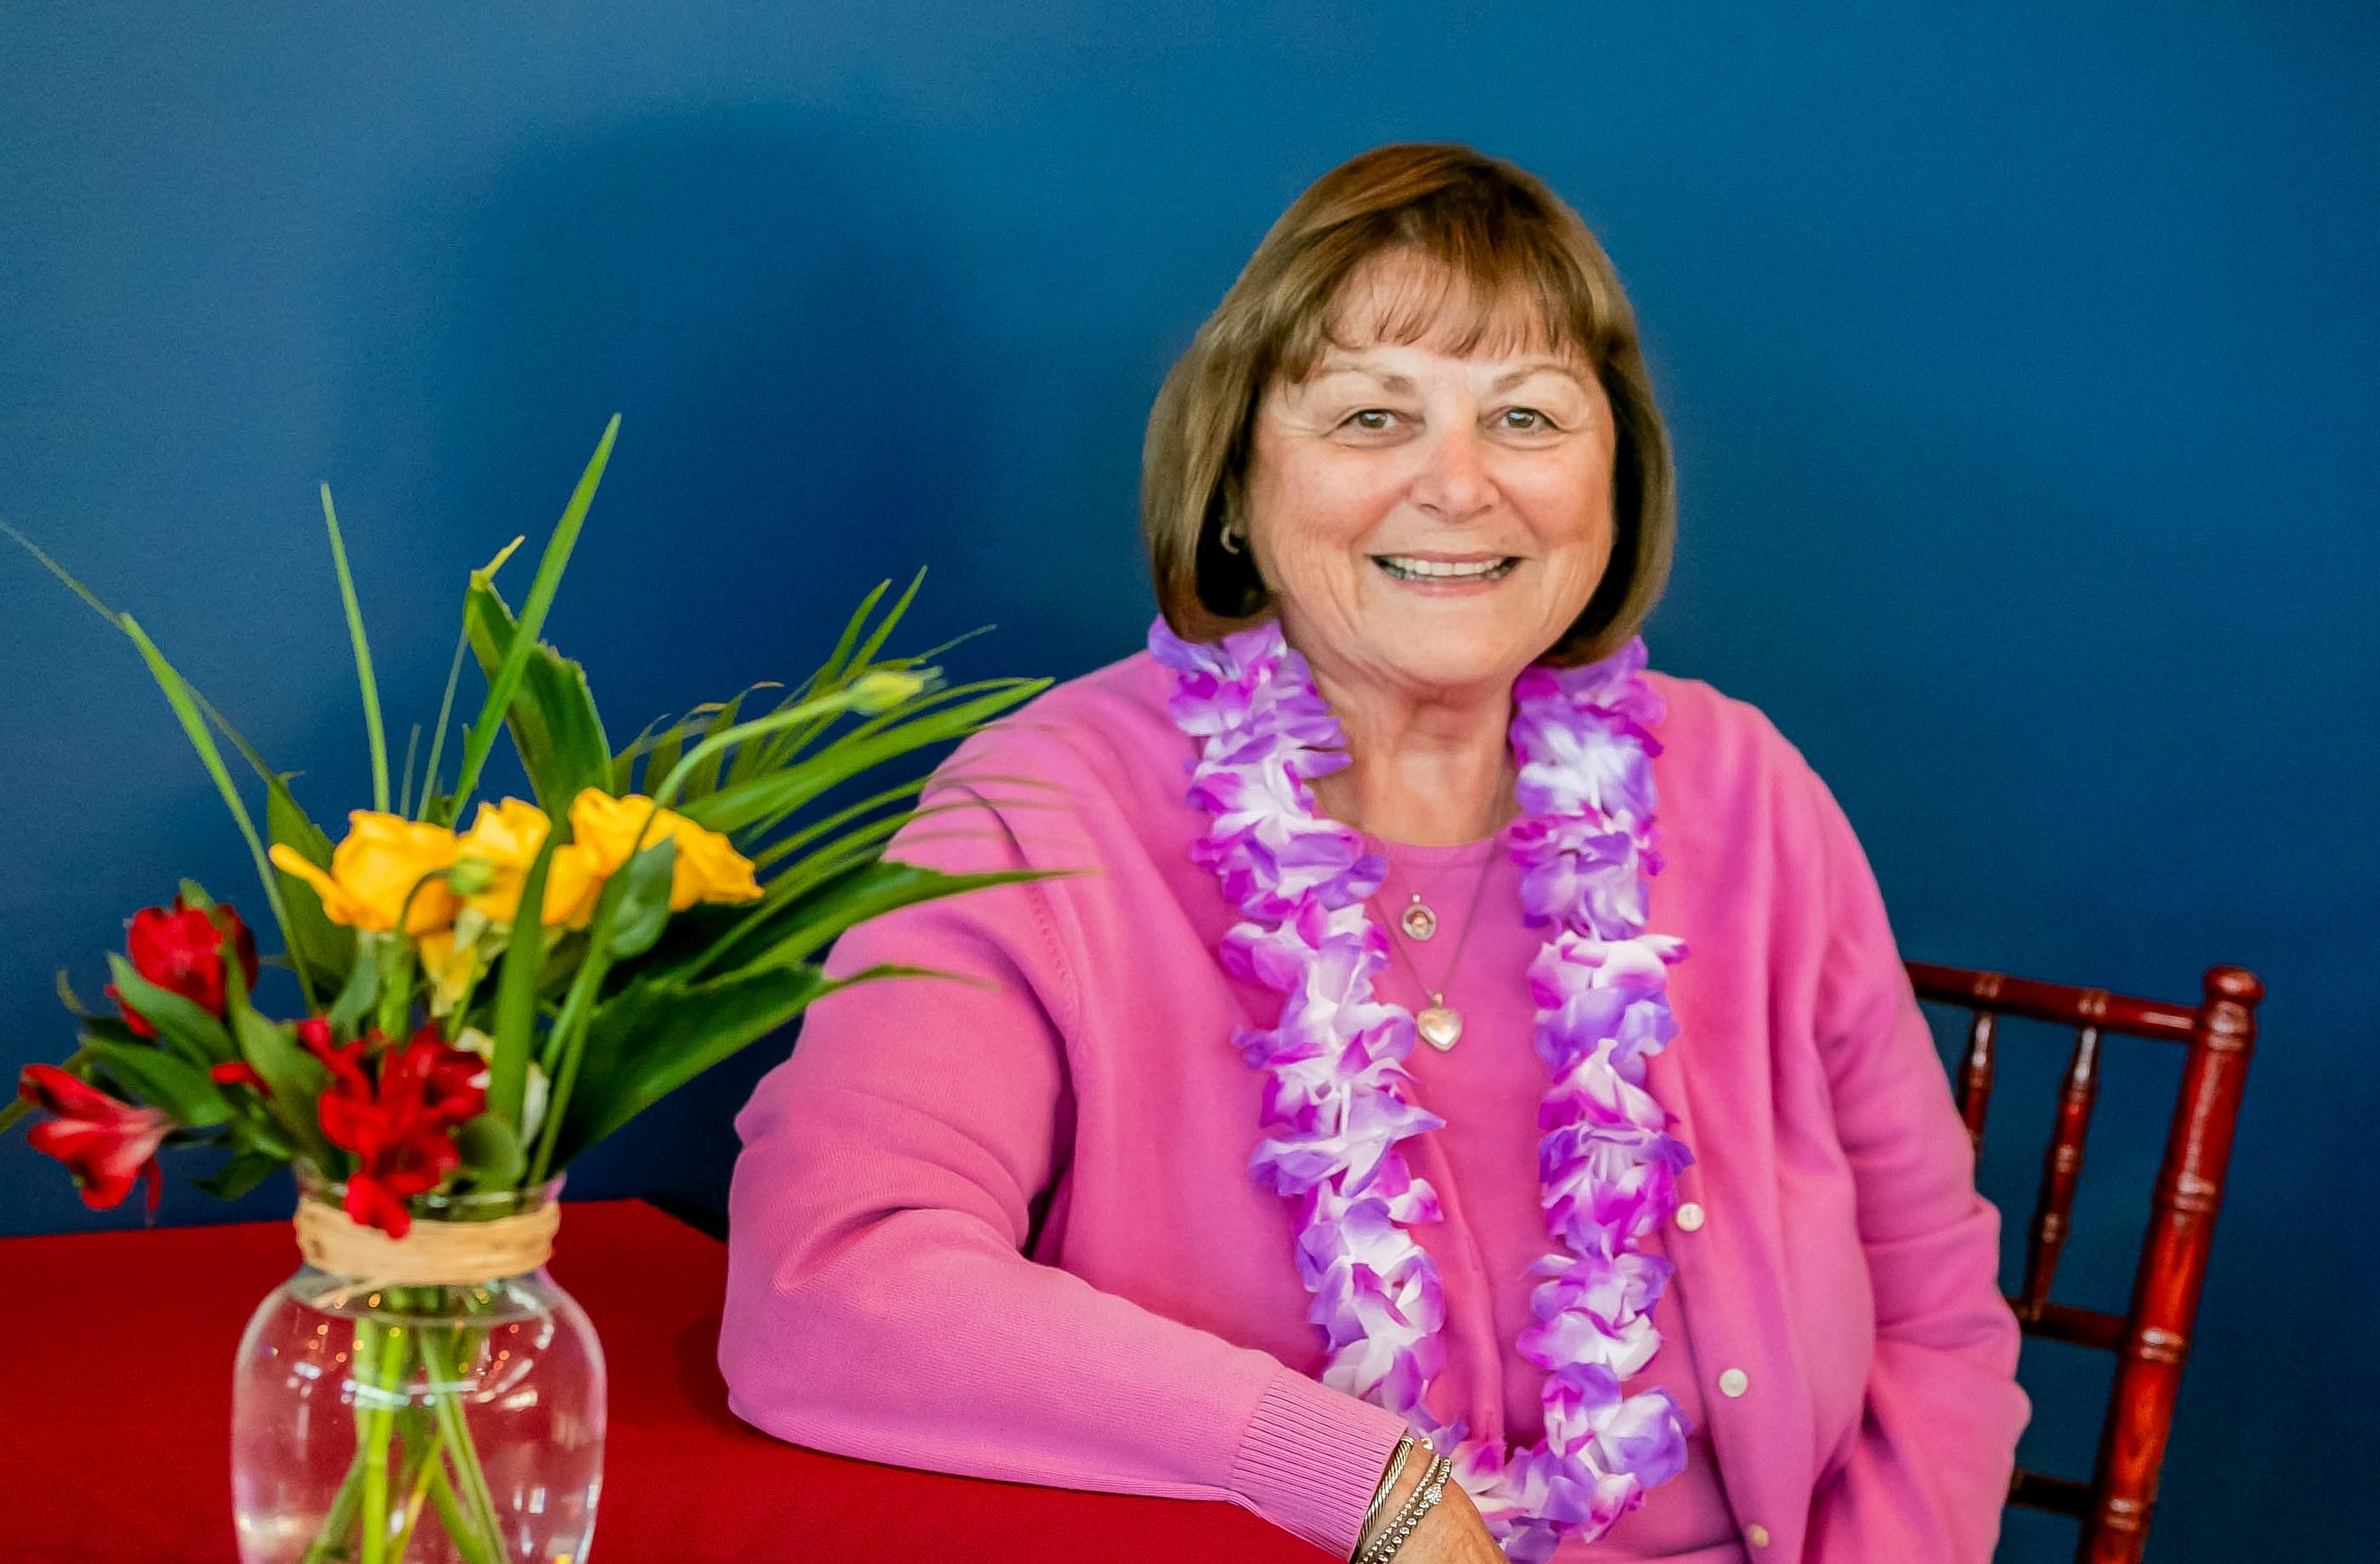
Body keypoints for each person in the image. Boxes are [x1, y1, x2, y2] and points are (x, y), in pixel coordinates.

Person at [719, 141, 2028, 1562]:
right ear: (1235, 483)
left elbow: (1934, 1312)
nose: (1459, 486)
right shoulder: (1047, 815)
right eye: (1369, 417)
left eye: (1526, 416)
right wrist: (1345, 1475)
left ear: (1616, 479)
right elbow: (828, 1278)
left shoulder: (1745, 792)